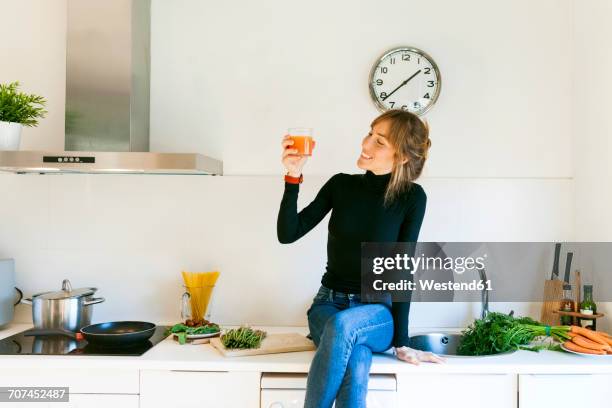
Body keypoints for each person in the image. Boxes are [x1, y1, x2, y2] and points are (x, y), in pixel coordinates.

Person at [277, 109, 444, 408]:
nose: (366, 145)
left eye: (380, 142)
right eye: (370, 134)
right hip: (327, 305)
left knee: (344, 327)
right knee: (355, 358)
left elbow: (402, 270)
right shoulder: (341, 185)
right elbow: (288, 233)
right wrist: (293, 174)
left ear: (402, 156)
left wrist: (402, 340)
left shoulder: (412, 198)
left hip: (376, 312)